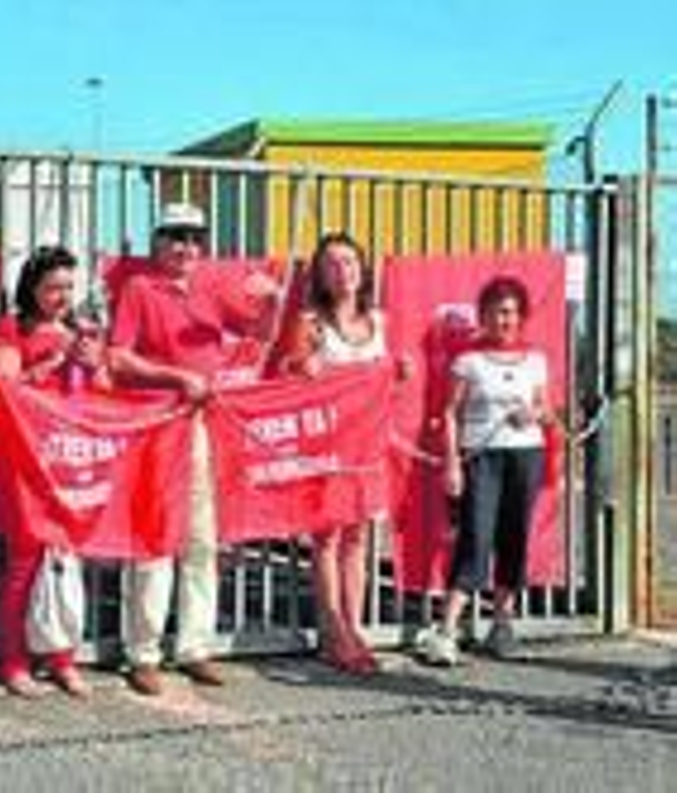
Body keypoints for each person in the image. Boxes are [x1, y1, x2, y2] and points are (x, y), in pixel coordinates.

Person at [106, 202, 280, 695]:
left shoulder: (209, 288)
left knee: (203, 540)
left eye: (195, 238)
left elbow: (260, 333)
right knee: (155, 540)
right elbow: (118, 358)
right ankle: (143, 652)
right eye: (176, 236)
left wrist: (271, 300)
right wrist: (177, 377)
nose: (186, 248)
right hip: (158, 426)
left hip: (205, 427)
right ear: (157, 241)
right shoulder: (138, 289)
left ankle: (195, 646)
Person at [278, 232, 401, 675]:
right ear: (320, 275)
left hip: (367, 447)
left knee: (359, 537)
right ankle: (332, 631)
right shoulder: (311, 322)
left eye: (349, 262)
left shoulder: (379, 321)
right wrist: (302, 367)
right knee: (327, 537)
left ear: (363, 269)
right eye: (332, 264)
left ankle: (353, 624)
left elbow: (391, 378)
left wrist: (398, 374)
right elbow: (287, 372)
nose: (343, 271)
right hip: (326, 447)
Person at [0, 245, 106, 698]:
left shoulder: (81, 329)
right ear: (31, 288)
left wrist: (94, 365)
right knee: (23, 561)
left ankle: (62, 656)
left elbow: (104, 388)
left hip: (72, 458)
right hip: (28, 457)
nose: (62, 296)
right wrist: (56, 360)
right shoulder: (13, 328)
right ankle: (14, 660)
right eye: (53, 287)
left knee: (67, 560)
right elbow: (4, 385)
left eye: (68, 287)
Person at [419, 275, 550, 666]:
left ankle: (501, 623)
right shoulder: (468, 362)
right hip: (482, 457)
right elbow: (449, 413)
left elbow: (545, 409)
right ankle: (446, 630)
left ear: (521, 316)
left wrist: (534, 413)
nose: (503, 319)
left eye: (509, 312)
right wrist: (453, 464)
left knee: (515, 537)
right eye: (495, 312)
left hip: (525, 455)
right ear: (483, 316)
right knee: (475, 537)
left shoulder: (537, 360)